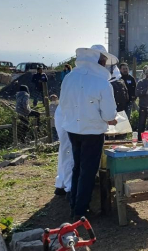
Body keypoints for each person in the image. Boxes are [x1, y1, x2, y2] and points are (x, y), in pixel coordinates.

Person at [59, 44, 118, 220]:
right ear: (100, 62)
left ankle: (74, 205)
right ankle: (80, 211)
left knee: (77, 167)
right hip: (92, 132)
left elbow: (63, 104)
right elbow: (109, 114)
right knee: (88, 171)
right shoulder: (101, 83)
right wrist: (110, 119)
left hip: (72, 130)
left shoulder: (69, 78)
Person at [54, 104, 72, 196]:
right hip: (70, 112)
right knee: (69, 149)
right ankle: (70, 187)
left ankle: (62, 182)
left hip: (65, 110)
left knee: (65, 148)